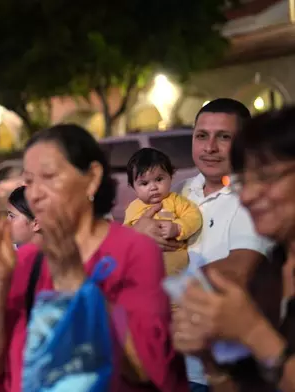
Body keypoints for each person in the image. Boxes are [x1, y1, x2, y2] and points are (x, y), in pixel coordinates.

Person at [0, 124, 188, 391]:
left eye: (50, 177)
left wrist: (76, 282)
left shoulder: (133, 251)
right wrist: (0, 281)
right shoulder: (28, 259)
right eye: (29, 181)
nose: (36, 193)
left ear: (92, 177)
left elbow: (146, 368)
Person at [132, 98, 274, 392]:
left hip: (220, 372)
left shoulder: (253, 199)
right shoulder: (181, 191)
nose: (209, 148)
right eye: (201, 136)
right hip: (167, 362)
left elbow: (238, 271)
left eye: (224, 137)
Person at [173, 107, 295, 392]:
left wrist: (252, 331)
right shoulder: (269, 274)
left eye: (266, 177)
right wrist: (210, 362)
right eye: (244, 182)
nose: (249, 196)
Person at [124, 148, 202, 277]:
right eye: (144, 183)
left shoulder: (176, 200)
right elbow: (124, 234)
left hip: (175, 271)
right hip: (143, 271)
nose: (153, 187)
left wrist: (178, 227)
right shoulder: (133, 208)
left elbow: (194, 216)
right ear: (133, 187)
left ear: (170, 177)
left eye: (159, 179)